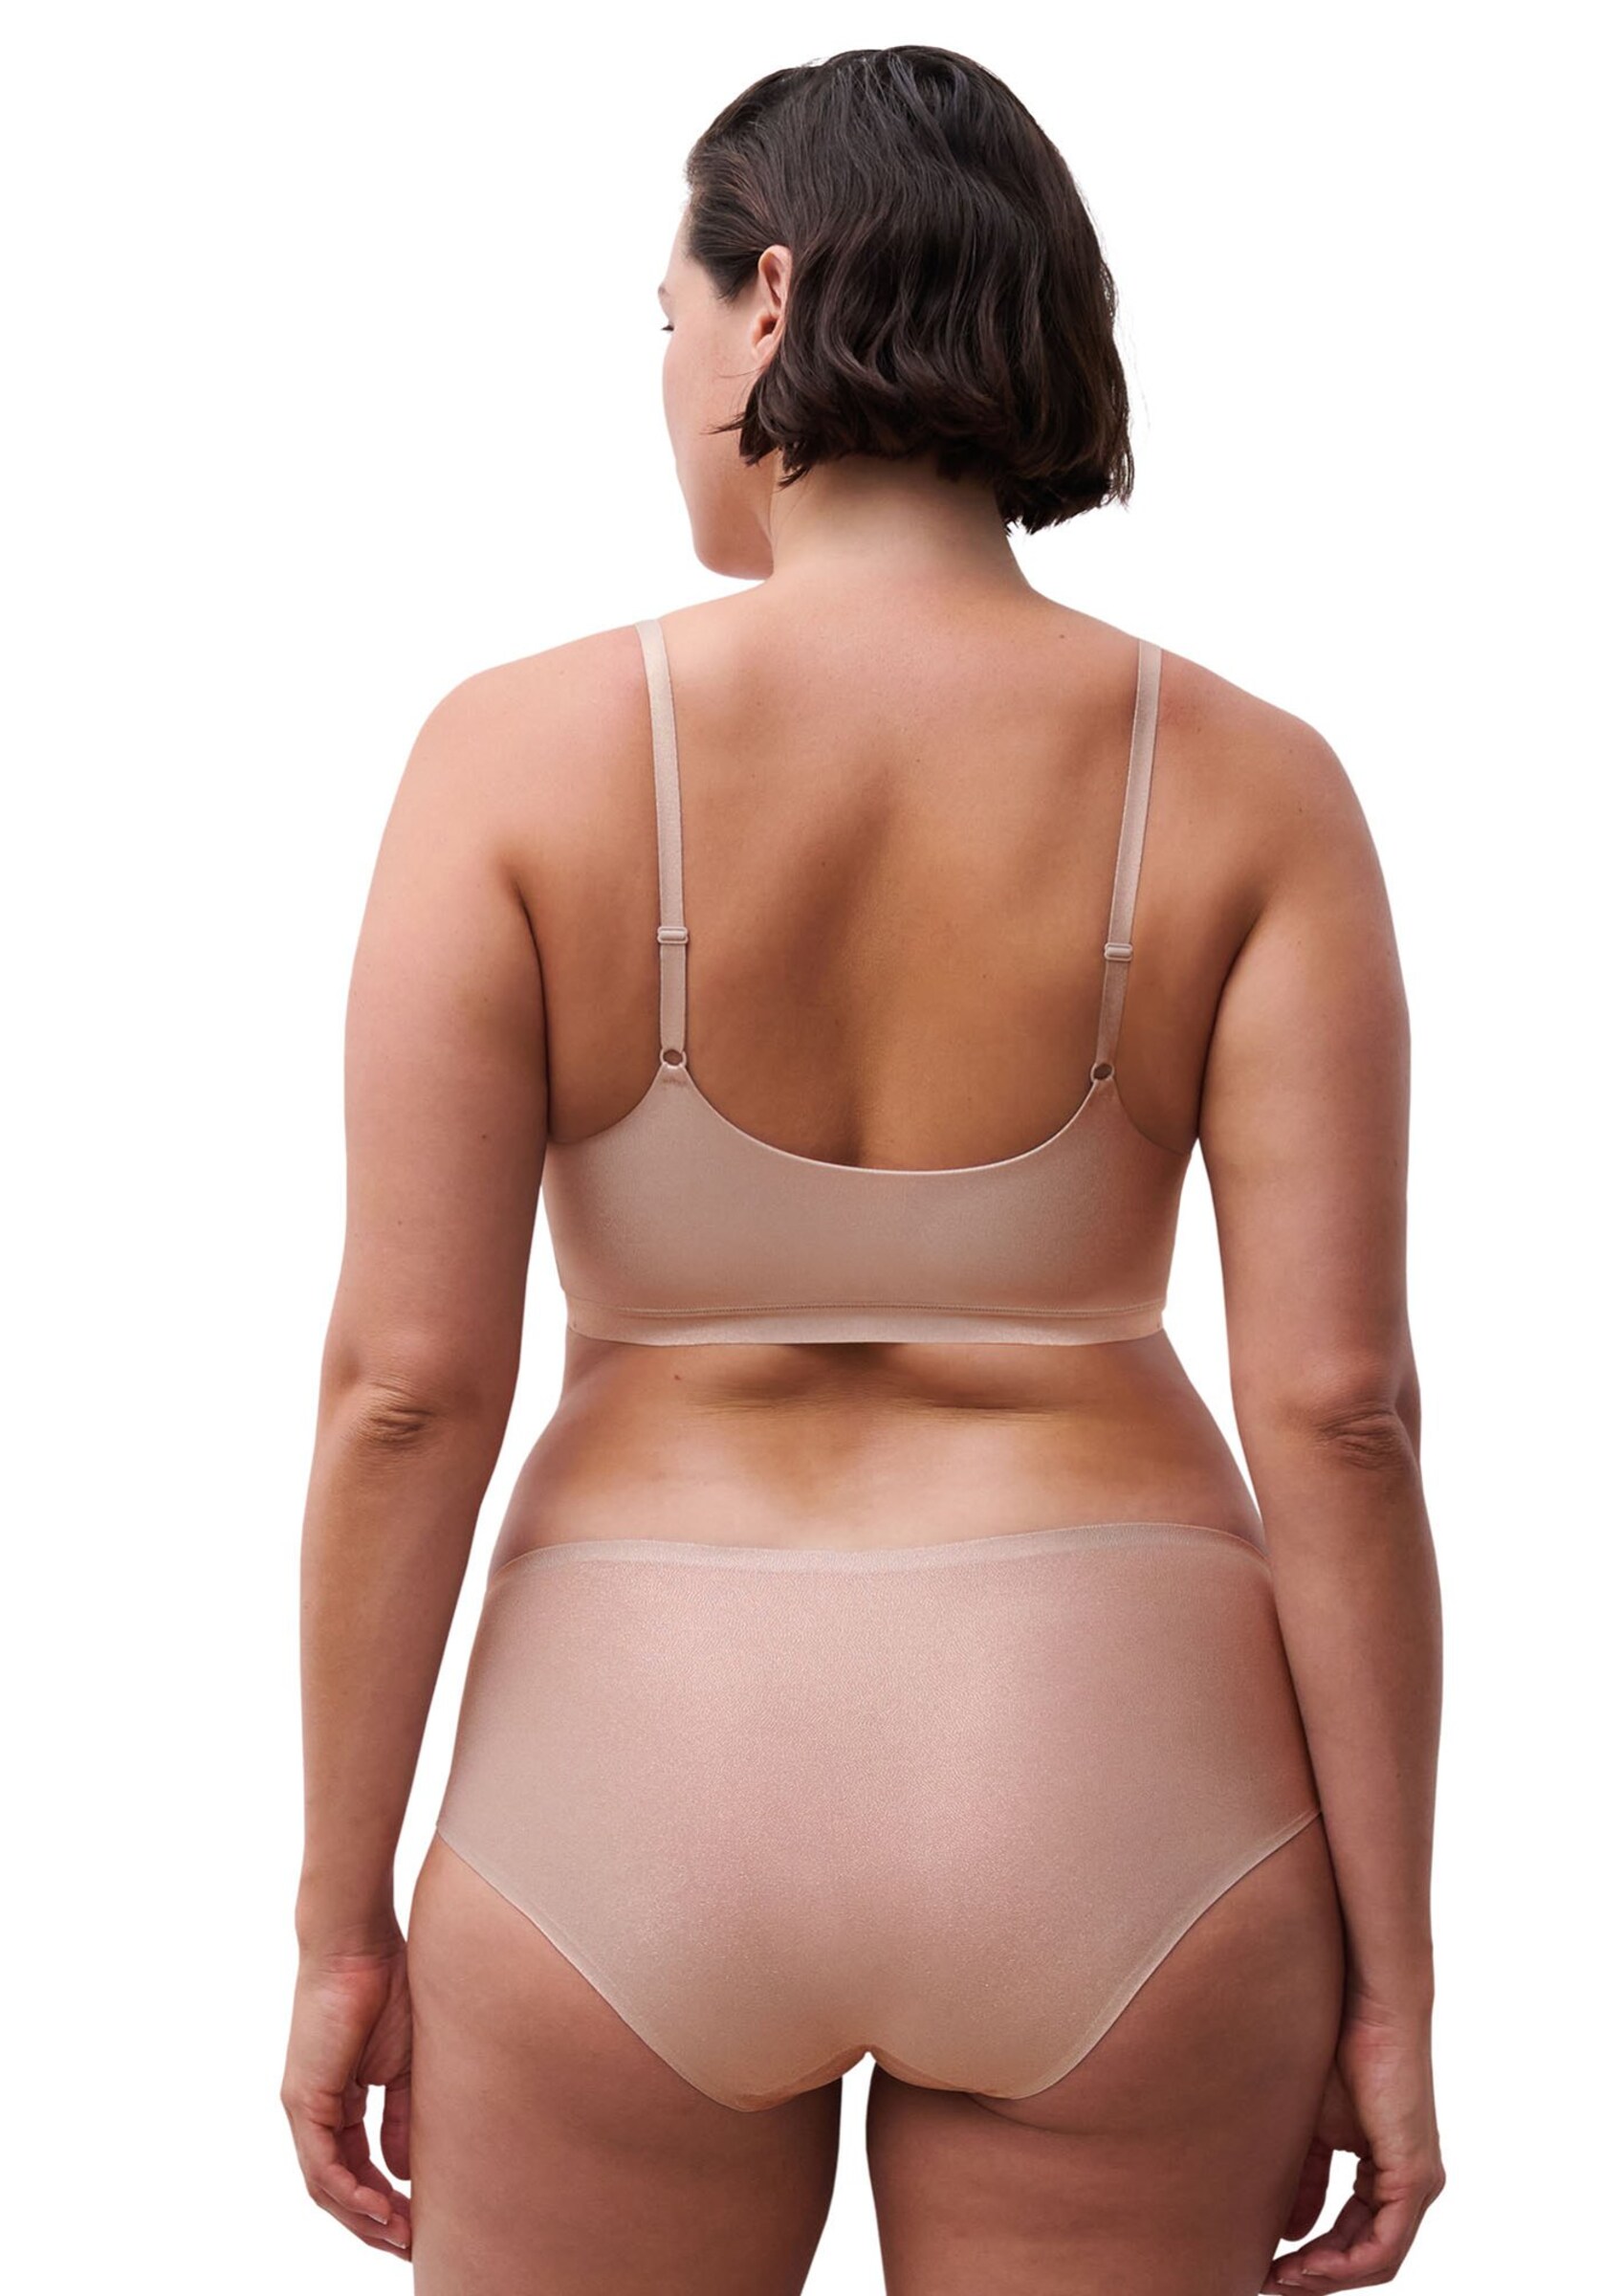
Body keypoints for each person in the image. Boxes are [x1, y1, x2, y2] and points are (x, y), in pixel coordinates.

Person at [281, 43, 1443, 2295]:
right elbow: (1343, 1415)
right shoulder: (1256, 785)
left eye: (665, 318)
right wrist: (1391, 1982)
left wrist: (342, 1920)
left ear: (773, 297)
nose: (661, 381)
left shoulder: (511, 757)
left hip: (631, 1752)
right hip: (1117, 1755)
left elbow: (403, 1392)